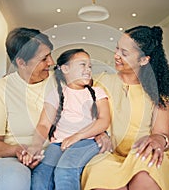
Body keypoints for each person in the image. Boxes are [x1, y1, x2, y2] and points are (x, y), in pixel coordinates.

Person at [0, 28, 111, 190]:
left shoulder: (63, 81)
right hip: (12, 161)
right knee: (17, 181)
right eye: (44, 58)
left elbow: (90, 104)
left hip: (60, 152)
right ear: (21, 62)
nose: (51, 62)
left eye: (50, 54)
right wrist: (19, 150)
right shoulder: (2, 88)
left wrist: (99, 132)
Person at [81, 25, 169, 190]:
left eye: (124, 53)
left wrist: (158, 139)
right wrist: (99, 132)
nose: (116, 55)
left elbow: (163, 135)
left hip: (144, 153)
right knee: (102, 175)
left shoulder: (159, 92)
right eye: (117, 48)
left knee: (143, 177)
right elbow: (80, 116)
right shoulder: (99, 82)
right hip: (108, 155)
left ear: (144, 60)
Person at [22, 48, 111, 190]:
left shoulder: (97, 92)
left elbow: (104, 121)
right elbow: (44, 124)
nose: (88, 69)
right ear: (65, 69)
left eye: (89, 66)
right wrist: (35, 146)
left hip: (87, 141)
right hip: (58, 144)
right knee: (41, 177)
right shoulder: (56, 94)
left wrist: (77, 136)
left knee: (65, 170)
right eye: (82, 65)